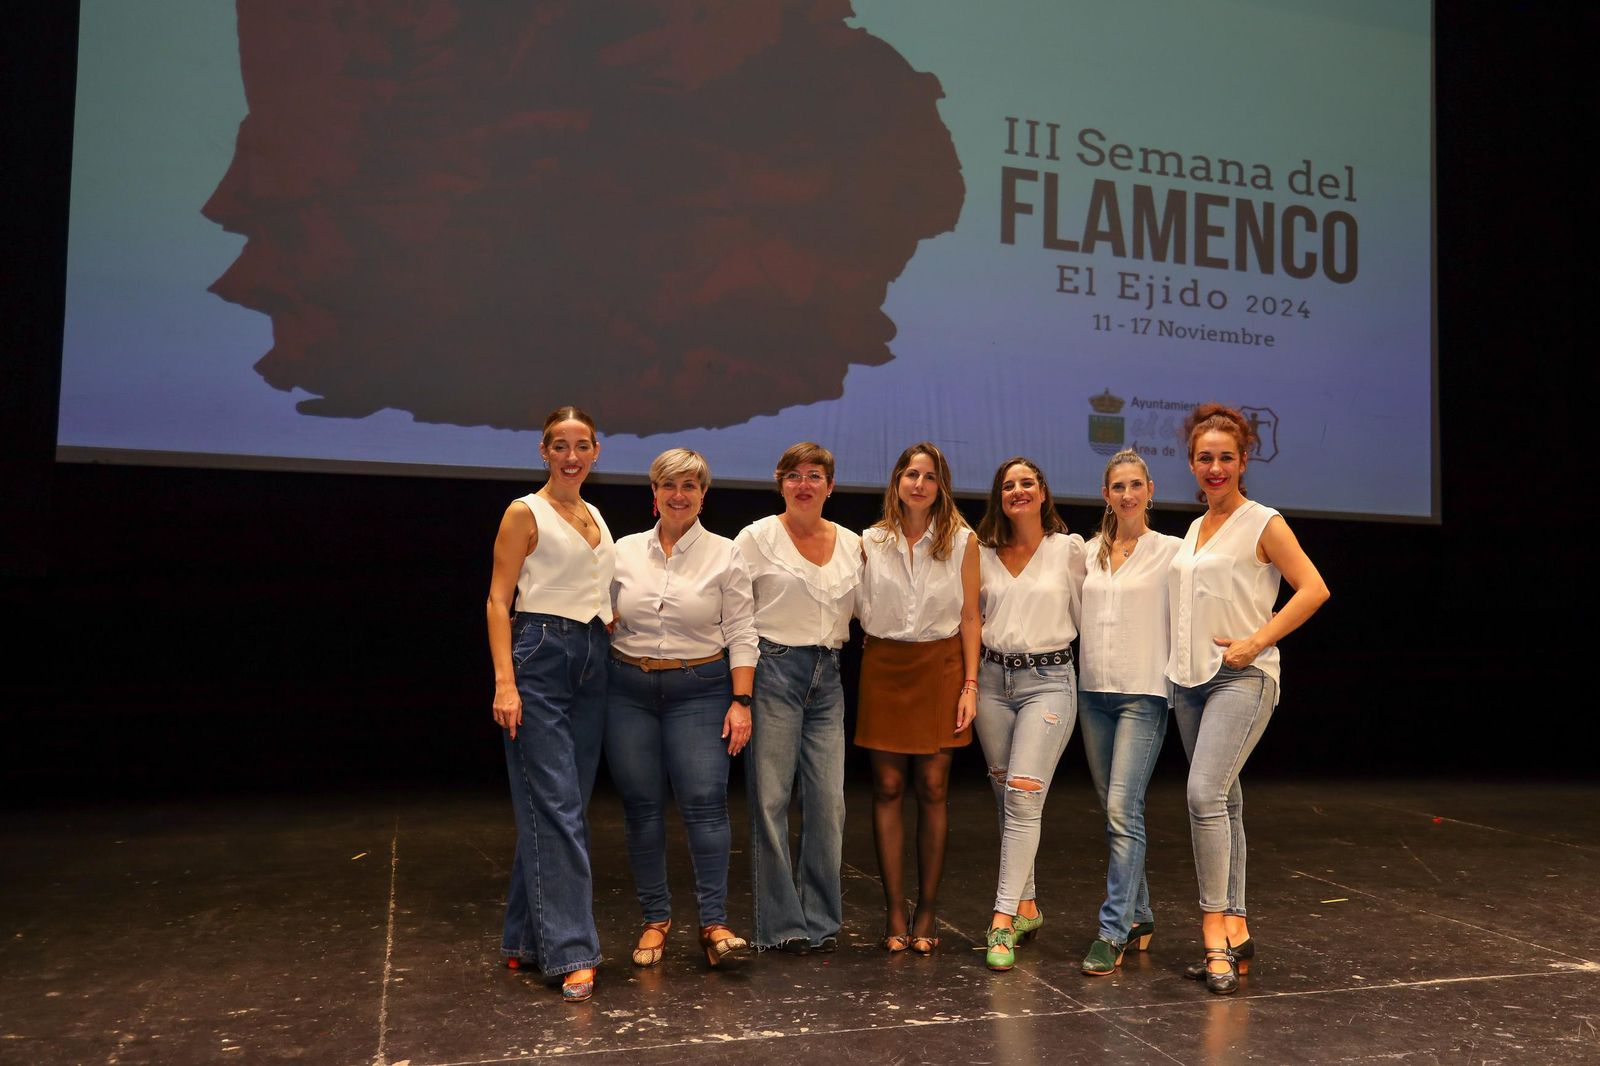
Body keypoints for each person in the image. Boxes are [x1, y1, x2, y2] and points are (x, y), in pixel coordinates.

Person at [1167, 403, 1329, 994]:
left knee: (1203, 794)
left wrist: (1257, 640)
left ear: (1244, 460)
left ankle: (1212, 929)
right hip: (1189, 682)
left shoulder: (1263, 521)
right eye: (1205, 458)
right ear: (1192, 463)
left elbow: (1314, 588)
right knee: (1226, 802)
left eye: (1225, 458)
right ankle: (1236, 925)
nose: (1215, 468)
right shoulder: (1194, 529)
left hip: (1244, 675)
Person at [605, 449, 758, 970]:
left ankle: (713, 924)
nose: (678, 494)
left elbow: (741, 631)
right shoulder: (622, 550)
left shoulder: (726, 553)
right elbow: (598, 609)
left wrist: (741, 701)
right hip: (627, 688)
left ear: (702, 495)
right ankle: (656, 918)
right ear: (654, 493)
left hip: (701, 688)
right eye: (669, 485)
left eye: (689, 485)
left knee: (704, 803)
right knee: (642, 807)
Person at [484, 406, 614, 1003]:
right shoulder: (524, 512)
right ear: (543, 451)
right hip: (538, 654)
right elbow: (496, 601)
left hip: (592, 657)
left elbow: (596, 589)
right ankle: (569, 951)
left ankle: (521, 938)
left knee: (561, 806)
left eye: (581, 445)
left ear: (595, 451)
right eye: (559, 445)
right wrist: (504, 683)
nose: (571, 455)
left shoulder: (596, 515)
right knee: (558, 806)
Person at [735, 442, 862, 954]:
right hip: (774, 669)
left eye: (815, 476)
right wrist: (740, 692)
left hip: (827, 674)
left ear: (830, 486)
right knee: (770, 800)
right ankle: (781, 924)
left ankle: (821, 920)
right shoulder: (756, 538)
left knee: (828, 803)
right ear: (779, 482)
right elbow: (738, 618)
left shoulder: (855, 544)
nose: (804, 484)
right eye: (794, 475)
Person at [855, 443, 980, 955]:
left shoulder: (964, 541)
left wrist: (970, 685)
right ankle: (895, 909)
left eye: (930, 476)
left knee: (932, 786)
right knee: (885, 786)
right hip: (884, 665)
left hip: (941, 666)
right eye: (912, 474)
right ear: (897, 482)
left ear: (941, 486)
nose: (920, 484)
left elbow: (971, 617)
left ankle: (927, 909)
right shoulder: (869, 540)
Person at [973, 457, 1087, 972]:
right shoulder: (982, 552)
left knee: (1022, 796)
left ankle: (1000, 921)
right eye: (1008, 485)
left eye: (1027, 483)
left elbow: (1092, 618)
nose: (1018, 491)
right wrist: (970, 684)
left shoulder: (1069, 549)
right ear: (1000, 496)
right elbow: (969, 620)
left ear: (1043, 492)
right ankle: (1027, 905)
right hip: (993, 682)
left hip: (1049, 681)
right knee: (1008, 799)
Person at [1075, 449, 1183, 976]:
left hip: (1143, 694)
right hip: (1092, 693)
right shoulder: (1088, 553)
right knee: (1117, 811)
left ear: (1150, 489)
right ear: (1106, 495)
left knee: (1122, 809)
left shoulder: (1171, 551)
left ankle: (1113, 929)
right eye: (1118, 486)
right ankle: (1139, 916)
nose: (1127, 494)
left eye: (1135, 485)